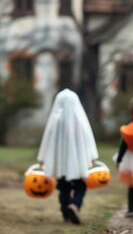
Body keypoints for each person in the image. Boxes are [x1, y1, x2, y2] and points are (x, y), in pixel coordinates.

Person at [37, 89, 98, 224]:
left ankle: (66, 216)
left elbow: (47, 139)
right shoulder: (80, 120)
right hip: (77, 161)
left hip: (61, 163)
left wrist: (42, 158)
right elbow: (88, 138)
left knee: (63, 188)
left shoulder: (55, 121)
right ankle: (75, 204)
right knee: (80, 185)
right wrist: (92, 156)